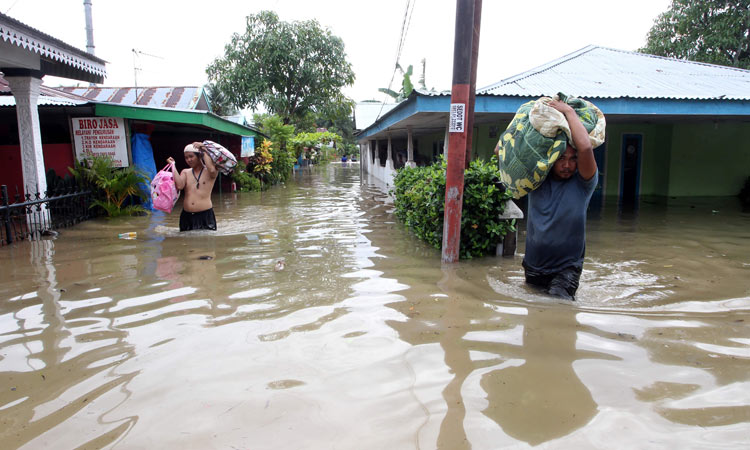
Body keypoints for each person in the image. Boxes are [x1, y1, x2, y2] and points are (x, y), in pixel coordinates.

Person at [522, 99, 598, 301]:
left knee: (558, 309)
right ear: (551, 158)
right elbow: (501, 151)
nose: (567, 165)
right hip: (533, 265)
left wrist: (569, 112)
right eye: (561, 158)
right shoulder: (536, 180)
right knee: (534, 322)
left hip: (567, 268)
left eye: (572, 159)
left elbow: (586, 150)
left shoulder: (584, 184)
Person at [167, 142, 219, 231]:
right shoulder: (185, 172)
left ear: (199, 156)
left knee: (206, 242)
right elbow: (179, 186)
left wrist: (204, 149)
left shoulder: (210, 172)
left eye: (191, 156)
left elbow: (211, 169)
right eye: (186, 158)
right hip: (186, 215)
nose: (188, 160)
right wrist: (173, 165)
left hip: (205, 215)